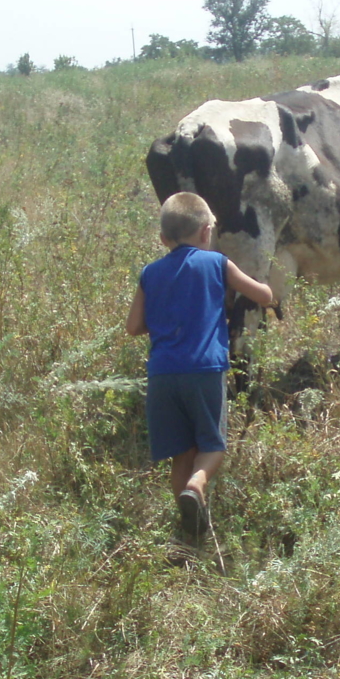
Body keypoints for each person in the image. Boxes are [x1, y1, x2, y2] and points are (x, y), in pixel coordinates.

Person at [126, 192, 274, 537]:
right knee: (211, 448)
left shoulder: (150, 273)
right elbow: (261, 296)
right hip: (204, 371)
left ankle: (189, 530)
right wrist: (270, 290)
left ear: (163, 239)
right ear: (207, 232)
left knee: (181, 452)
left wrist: (163, 321)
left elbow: (133, 327)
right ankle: (197, 485)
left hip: (163, 374)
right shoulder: (216, 263)